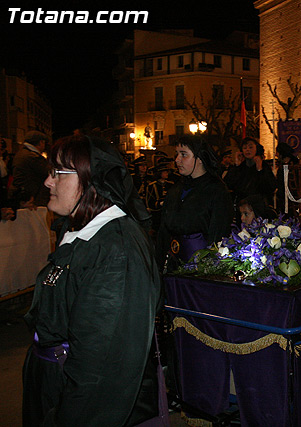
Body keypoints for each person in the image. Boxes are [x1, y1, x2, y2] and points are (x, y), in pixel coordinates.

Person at [22, 134, 163, 426]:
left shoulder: (116, 250)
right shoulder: (78, 230)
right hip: (53, 383)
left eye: (58, 173)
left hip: (79, 399)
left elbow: (102, 363)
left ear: (92, 181)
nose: (48, 182)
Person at [157, 134, 233, 268]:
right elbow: (163, 233)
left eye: (184, 155)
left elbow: (218, 235)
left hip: (200, 269)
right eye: (177, 154)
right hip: (172, 266)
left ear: (200, 158)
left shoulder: (217, 191)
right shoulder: (175, 190)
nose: (177, 160)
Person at [224, 137, 277, 206]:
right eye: (245, 148)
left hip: (259, 204)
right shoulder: (240, 167)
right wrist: (236, 166)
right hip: (242, 204)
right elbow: (229, 184)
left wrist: (259, 170)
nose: (247, 150)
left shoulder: (264, 166)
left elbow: (270, 187)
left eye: (251, 147)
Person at [10, 130, 50, 206]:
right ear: (41, 142)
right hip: (32, 199)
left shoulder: (22, 153)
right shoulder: (33, 157)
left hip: (24, 196)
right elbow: (47, 172)